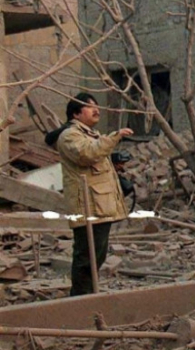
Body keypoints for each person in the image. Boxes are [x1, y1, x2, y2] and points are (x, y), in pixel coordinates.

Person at [47, 92, 133, 296]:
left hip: (98, 205)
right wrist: (115, 136)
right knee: (87, 258)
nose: (96, 110)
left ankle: (88, 297)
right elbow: (88, 154)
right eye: (89, 106)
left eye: (96, 106)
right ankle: (80, 300)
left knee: (97, 256)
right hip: (88, 206)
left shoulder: (90, 135)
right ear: (76, 114)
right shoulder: (70, 136)